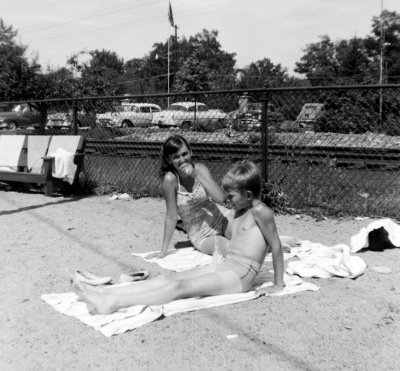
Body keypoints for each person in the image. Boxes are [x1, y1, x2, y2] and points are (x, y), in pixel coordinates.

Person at [73, 160, 285, 314]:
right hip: (228, 264)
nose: (227, 199)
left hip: (241, 275)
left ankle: (112, 303)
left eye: (231, 196)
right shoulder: (240, 210)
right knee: (171, 278)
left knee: (180, 288)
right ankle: (106, 293)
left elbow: (275, 246)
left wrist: (278, 283)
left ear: (248, 195)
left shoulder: (261, 212)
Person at [146, 135, 229, 259]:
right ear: (169, 160)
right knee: (232, 248)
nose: (182, 159)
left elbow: (220, 198)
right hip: (202, 235)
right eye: (176, 157)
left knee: (250, 233)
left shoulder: (200, 169)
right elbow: (171, 216)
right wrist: (163, 251)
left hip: (221, 218)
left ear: (191, 152)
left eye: (184, 154)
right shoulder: (170, 180)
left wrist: (197, 175)